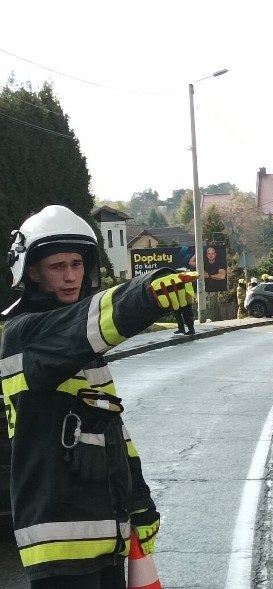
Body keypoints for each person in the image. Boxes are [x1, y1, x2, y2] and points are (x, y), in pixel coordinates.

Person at [0, 205, 196, 587]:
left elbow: (114, 434)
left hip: (107, 536)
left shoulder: (81, 348)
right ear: (32, 272)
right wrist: (144, 293)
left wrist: (140, 504)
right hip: (60, 544)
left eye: (77, 264)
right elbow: (90, 320)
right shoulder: (25, 334)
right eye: (58, 267)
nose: (72, 276)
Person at [173, 268, 197, 335]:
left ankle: (185, 329)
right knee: (184, 314)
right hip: (187, 299)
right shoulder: (188, 279)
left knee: (183, 314)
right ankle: (188, 329)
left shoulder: (181, 280)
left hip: (184, 299)